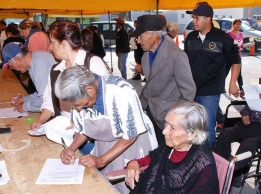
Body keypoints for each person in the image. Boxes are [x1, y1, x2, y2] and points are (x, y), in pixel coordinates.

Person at [55, 65, 158, 193]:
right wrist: (71, 149)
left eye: (81, 104)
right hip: (105, 146)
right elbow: (82, 129)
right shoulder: (80, 97)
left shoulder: (121, 91)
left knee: (130, 187)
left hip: (132, 146)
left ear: (90, 90)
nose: (79, 109)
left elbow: (131, 135)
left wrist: (101, 160)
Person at [31, 20, 110, 155]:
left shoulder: (93, 64)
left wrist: (82, 122)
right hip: (64, 132)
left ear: (64, 44)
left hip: (92, 136)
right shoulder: (56, 70)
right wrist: (40, 121)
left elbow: (107, 103)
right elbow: (49, 103)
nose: (50, 47)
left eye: (52, 42)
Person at [125, 101, 219, 193]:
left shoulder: (203, 167)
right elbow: (152, 159)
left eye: (172, 127)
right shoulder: (169, 145)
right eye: (166, 123)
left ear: (191, 134)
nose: (164, 131)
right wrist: (134, 163)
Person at [213, 66, 261, 189]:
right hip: (249, 125)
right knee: (226, 133)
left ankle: (236, 175)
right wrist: (245, 115)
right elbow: (247, 107)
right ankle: (219, 167)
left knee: (249, 143)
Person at [184, 2, 241, 144]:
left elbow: (236, 60)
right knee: (192, 126)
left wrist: (233, 82)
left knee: (207, 127)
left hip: (211, 91)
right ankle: (194, 156)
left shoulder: (222, 38)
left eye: (197, 18)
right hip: (191, 90)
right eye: (193, 17)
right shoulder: (191, 37)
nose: (193, 21)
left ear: (208, 19)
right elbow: (185, 62)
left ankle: (207, 159)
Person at [135, 14, 196, 144]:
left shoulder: (176, 55)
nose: (138, 41)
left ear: (155, 34)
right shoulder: (146, 55)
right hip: (149, 112)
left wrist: (174, 116)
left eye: (140, 36)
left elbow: (189, 92)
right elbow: (150, 84)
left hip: (167, 118)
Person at [2, 43, 56, 113]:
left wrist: (25, 107)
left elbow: (45, 99)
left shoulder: (39, 65)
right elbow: (43, 92)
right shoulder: (34, 60)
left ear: (19, 60)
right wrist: (25, 99)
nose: (14, 69)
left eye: (11, 66)